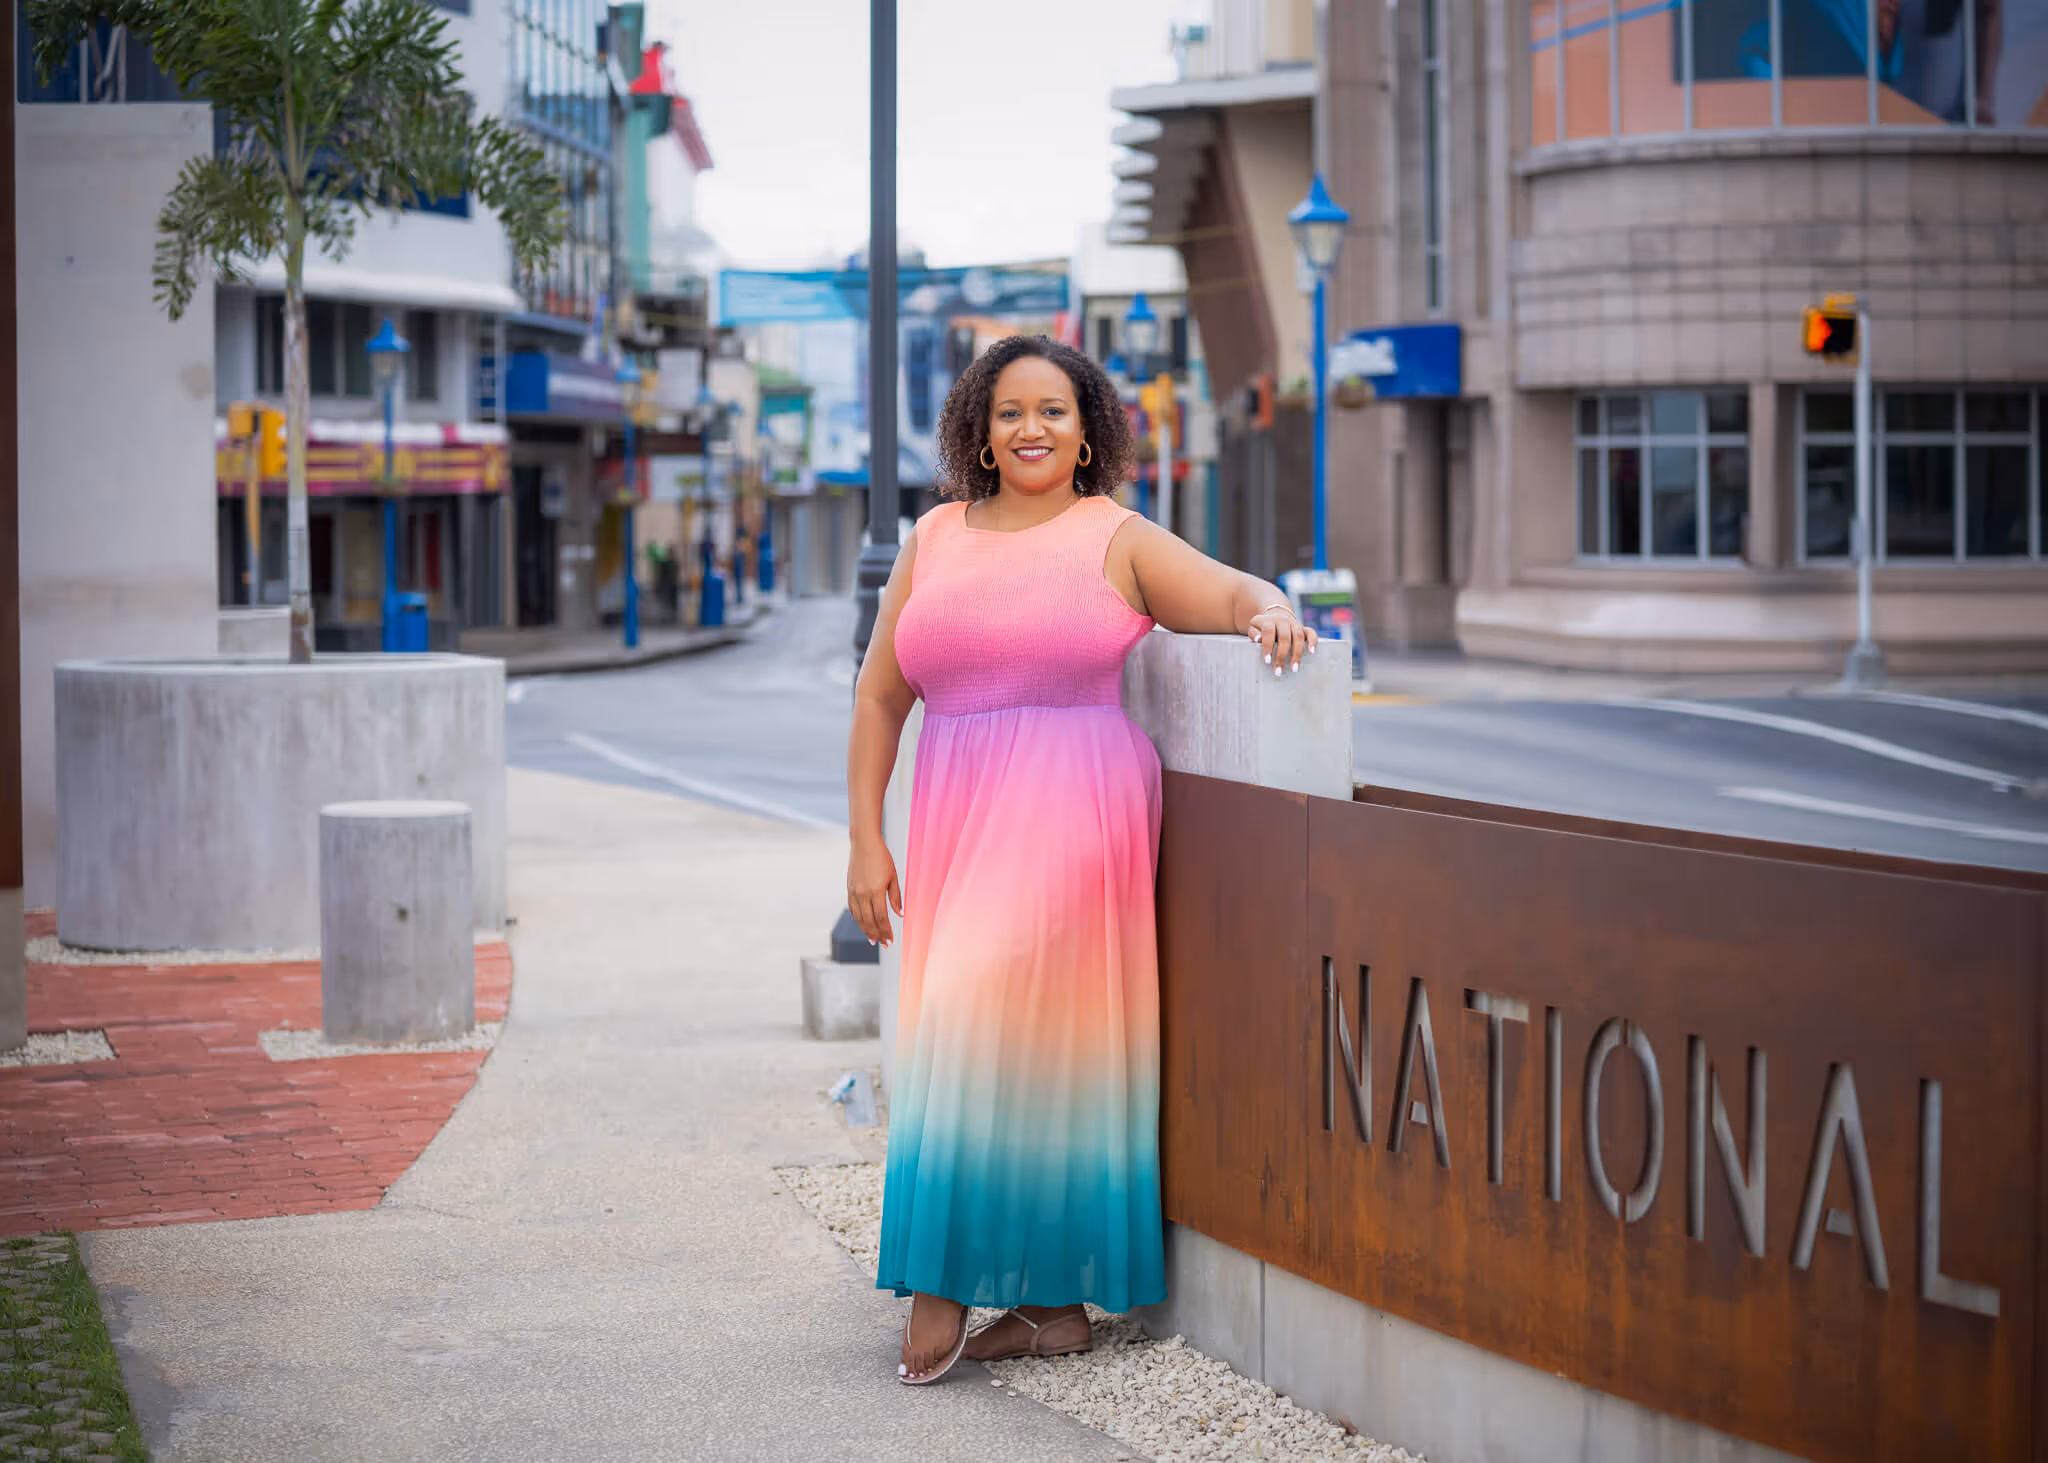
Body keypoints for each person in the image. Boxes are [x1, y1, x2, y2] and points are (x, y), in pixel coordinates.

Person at [844, 334, 1319, 1386]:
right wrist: (864, 837)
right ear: (977, 428)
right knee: (1011, 1045)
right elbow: (882, 694)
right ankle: (1053, 1306)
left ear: (1086, 428)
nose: (1030, 428)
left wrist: (1270, 608)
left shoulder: (1115, 536)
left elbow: (1225, 589)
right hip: (958, 809)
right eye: (1009, 410)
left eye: (1053, 410)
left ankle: (940, 1278)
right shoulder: (932, 538)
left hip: (1074, 803)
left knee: (975, 1011)